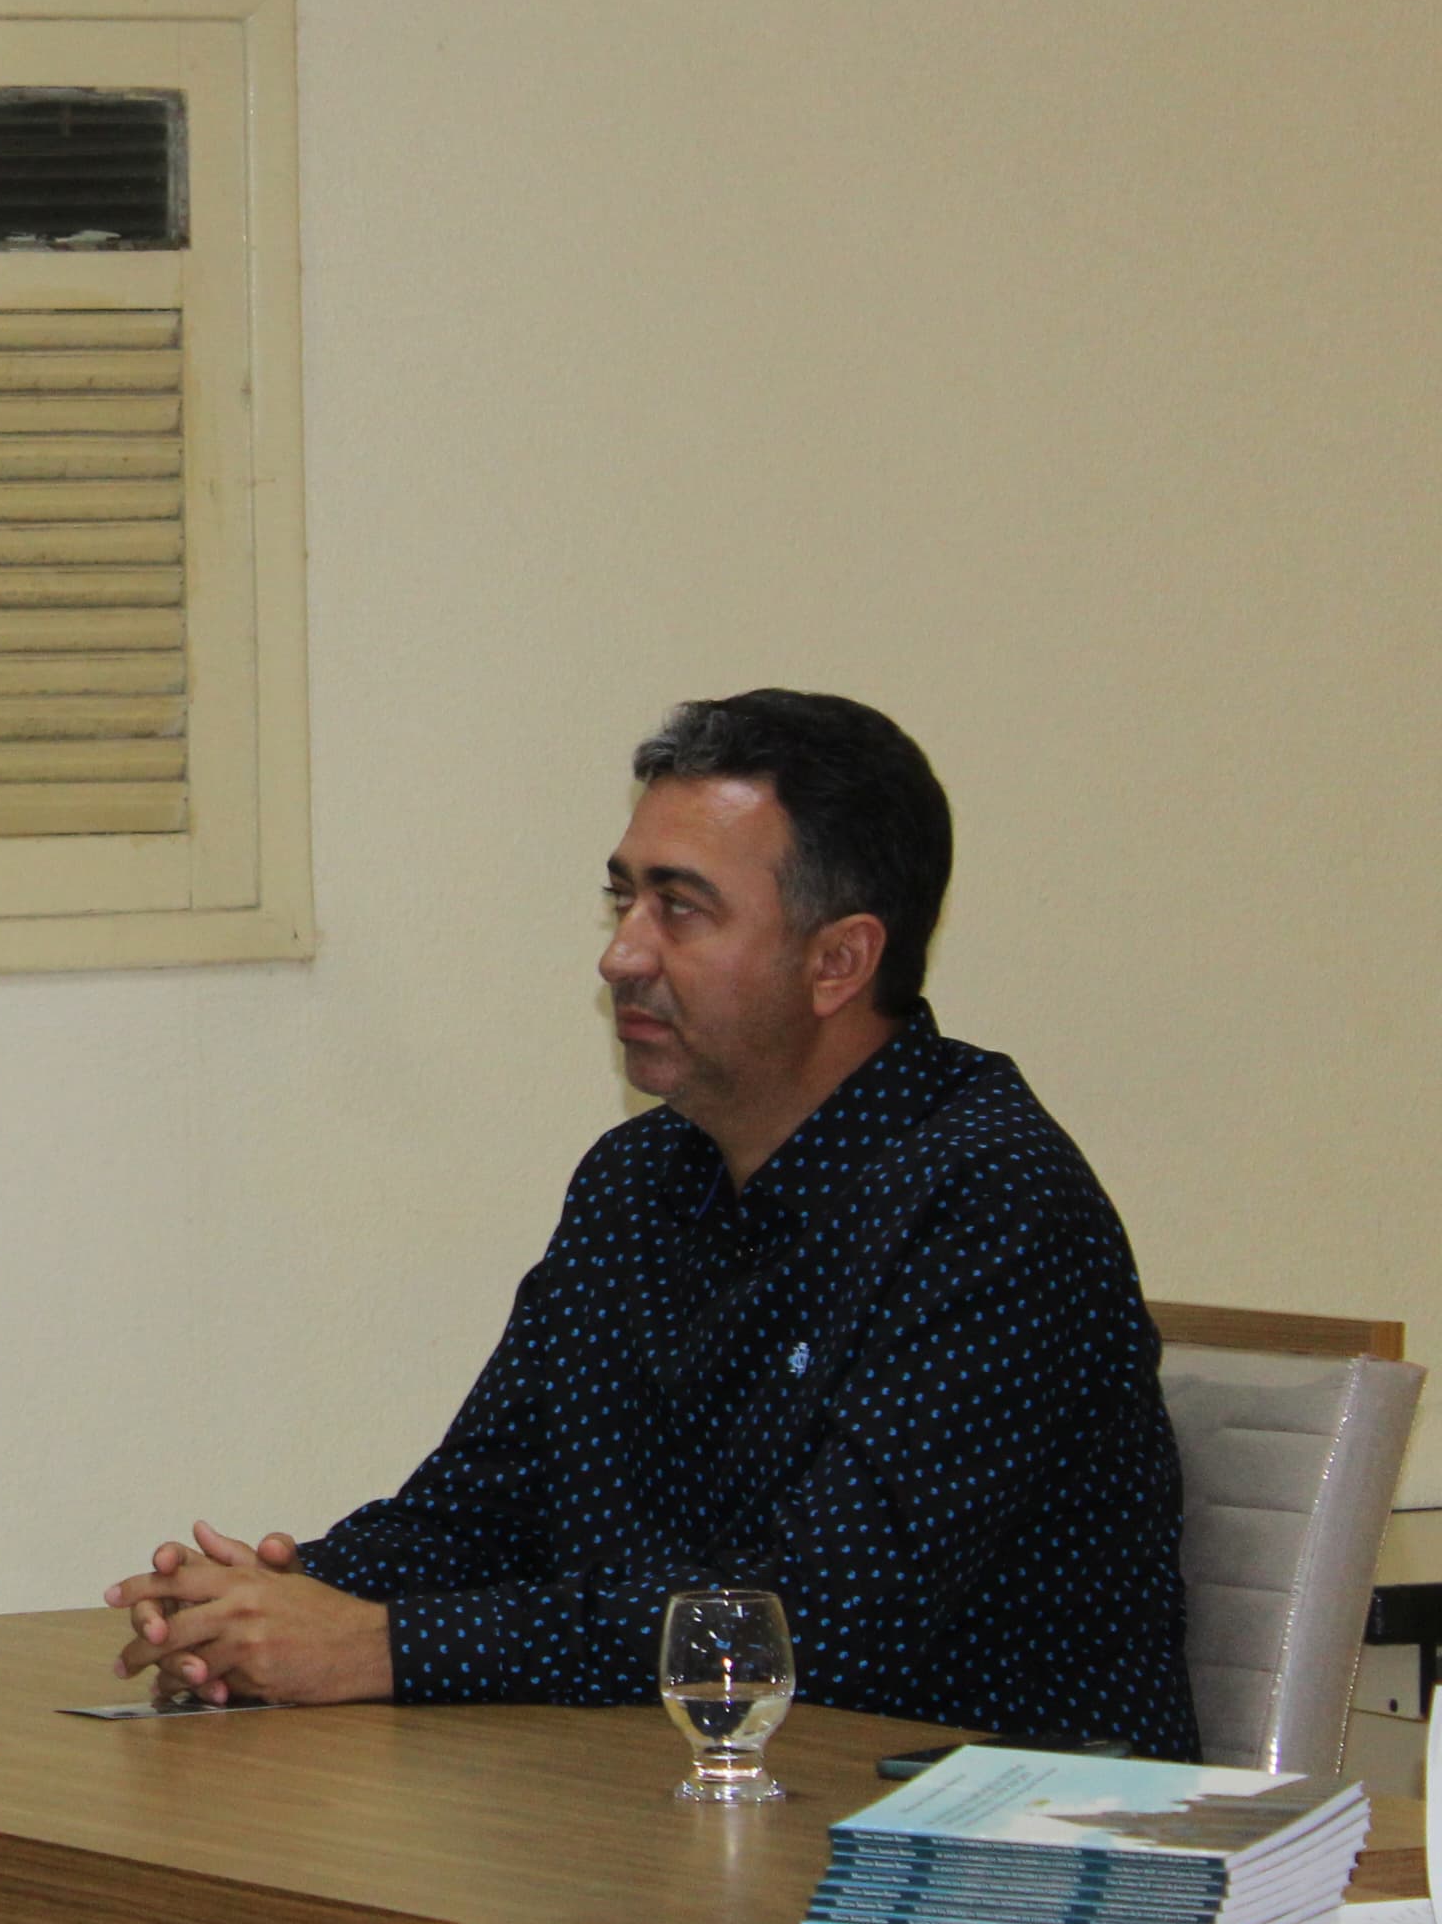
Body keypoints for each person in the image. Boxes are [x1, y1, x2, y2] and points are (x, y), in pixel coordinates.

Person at [107, 690, 1196, 1758]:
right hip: (672, 1795)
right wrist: (270, 1602)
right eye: (621, 898)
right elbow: (483, 1507)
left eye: (679, 908)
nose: (620, 954)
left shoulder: (994, 1202)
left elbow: (813, 1614)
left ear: (837, 961)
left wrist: (378, 1646)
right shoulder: (633, 1182)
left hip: (975, 1831)